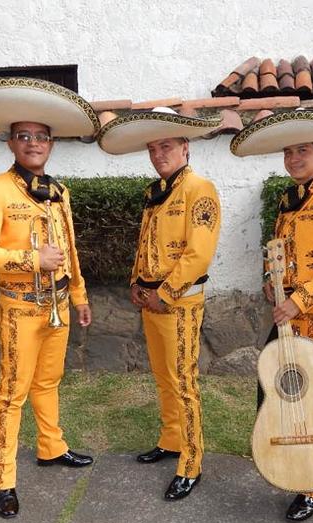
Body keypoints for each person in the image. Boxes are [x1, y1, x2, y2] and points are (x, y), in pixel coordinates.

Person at [0, 78, 100, 519]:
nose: (34, 144)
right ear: (10, 142)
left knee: (49, 383)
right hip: (19, 306)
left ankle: (51, 447)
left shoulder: (59, 191)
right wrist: (30, 258)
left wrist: (78, 294)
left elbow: (69, 246)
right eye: (25, 136)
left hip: (57, 303)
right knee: (11, 392)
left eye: (41, 137)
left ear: (50, 144)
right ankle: (3, 477)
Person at [230, 109, 313, 522]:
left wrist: (300, 299)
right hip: (286, 313)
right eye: (288, 152)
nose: (293, 159)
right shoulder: (289, 200)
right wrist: (272, 283)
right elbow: (280, 254)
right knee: (277, 393)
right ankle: (288, 462)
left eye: (302, 151)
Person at [97, 107, 222, 500]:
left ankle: (191, 460)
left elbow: (198, 254)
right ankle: (171, 439)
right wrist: (136, 283)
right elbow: (146, 244)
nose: (158, 155)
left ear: (185, 148)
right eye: (152, 149)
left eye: (166, 146)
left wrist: (164, 294)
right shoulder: (157, 192)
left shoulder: (199, 189)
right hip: (152, 298)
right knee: (164, 376)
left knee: (184, 380)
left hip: (179, 301)